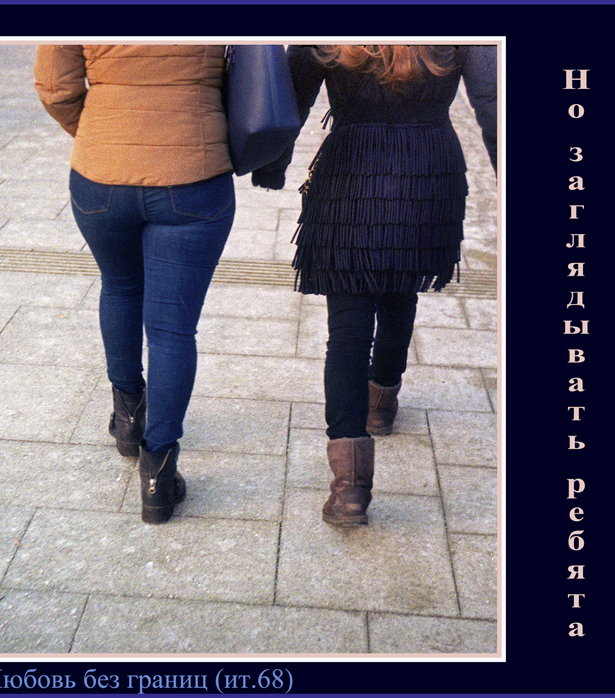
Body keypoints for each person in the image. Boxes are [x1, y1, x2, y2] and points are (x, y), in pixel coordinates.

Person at [253, 45, 497, 527]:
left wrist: (271, 165)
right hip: (429, 171)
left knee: (347, 329)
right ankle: (382, 399)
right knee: (401, 288)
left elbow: (289, 98)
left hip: (350, 170)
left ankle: (349, 488)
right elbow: (491, 99)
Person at [34, 45, 236, 524]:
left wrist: (102, 133)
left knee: (120, 287)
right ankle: (158, 476)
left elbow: (55, 87)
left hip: (101, 173)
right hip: (193, 171)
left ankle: (127, 418)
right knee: (172, 330)